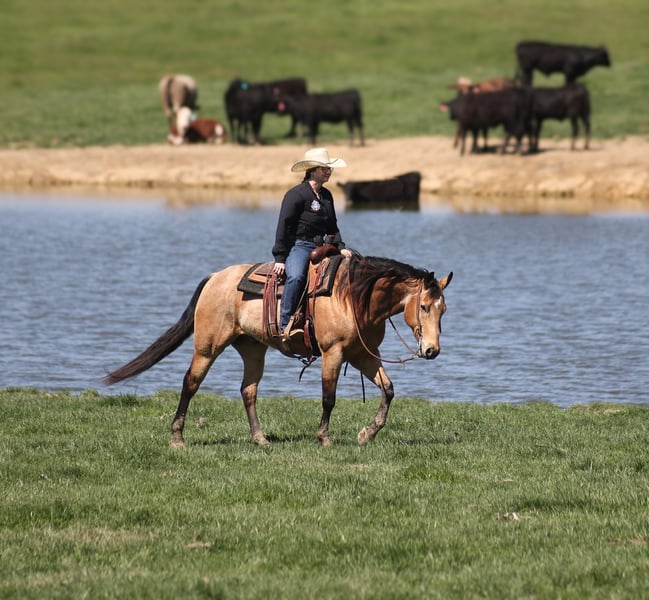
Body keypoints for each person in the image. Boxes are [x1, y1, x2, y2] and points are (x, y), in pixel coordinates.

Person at [272, 148, 353, 342]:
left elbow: (332, 227)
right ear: (312, 170)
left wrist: (341, 246)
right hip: (300, 246)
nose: (328, 172)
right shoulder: (296, 195)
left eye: (329, 168)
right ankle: (285, 324)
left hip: (324, 247)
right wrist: (280, 258)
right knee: (296, 277)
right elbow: (284, 226)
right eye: (324, 168)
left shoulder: (326, 195)